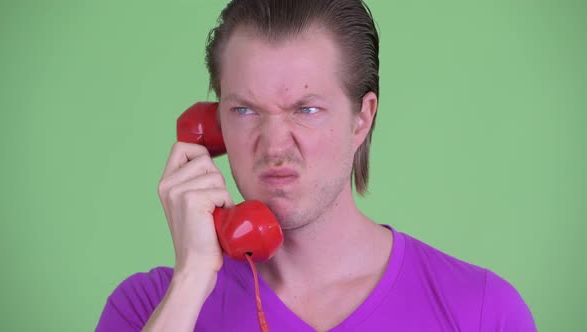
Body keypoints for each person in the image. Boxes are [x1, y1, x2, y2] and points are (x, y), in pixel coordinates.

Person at [96, 0, 537, 331]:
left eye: (306, 109)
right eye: (245, 111)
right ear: (213, 127)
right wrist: (190, 281)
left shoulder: (482, 310)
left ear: (362, 118)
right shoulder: (148, 307)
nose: (273, 146)